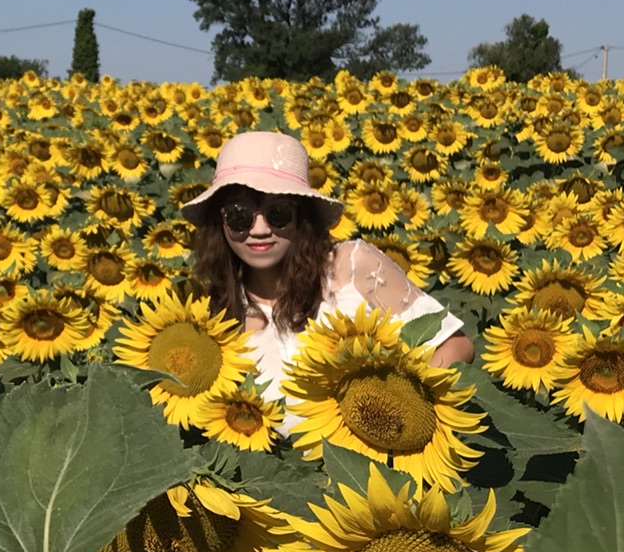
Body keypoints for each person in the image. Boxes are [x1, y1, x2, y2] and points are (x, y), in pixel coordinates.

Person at [182, 130, 473, 401]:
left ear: (303, 215)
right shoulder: (218, 314)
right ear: (219, 223)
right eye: (239, 216)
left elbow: (456, 346)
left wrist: (400, 406)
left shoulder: (350, 267)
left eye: (278, 213)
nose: (259, 230)